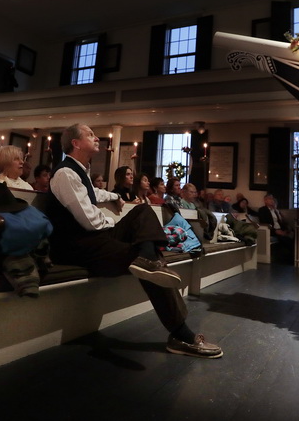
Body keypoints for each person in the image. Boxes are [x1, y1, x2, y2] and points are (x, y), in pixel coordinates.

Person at [47, 123, 222, 358]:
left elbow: (92, 193)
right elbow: (88, 220)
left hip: (94, 238)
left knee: (143, 212)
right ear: (75, 143)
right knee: (143, 256)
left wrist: (115, 195)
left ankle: (148, 259)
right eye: (90, 134)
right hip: (77, 245)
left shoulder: (80, 171)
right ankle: (181, 335)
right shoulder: (65, 173)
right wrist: (113, 224)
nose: (97, 137)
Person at [257, 193, 294, 264]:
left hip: (280, 229)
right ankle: (290, 260)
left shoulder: (275, 210)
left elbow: (281, 222)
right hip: (272, 230)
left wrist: (286, 228)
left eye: (272, 199)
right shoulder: (262, 210)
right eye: (270, 199)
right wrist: (275, 231)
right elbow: (264, 222)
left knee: (293, 235)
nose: (272, 200)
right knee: (286, 239)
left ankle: (292, 257)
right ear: (265, 200)